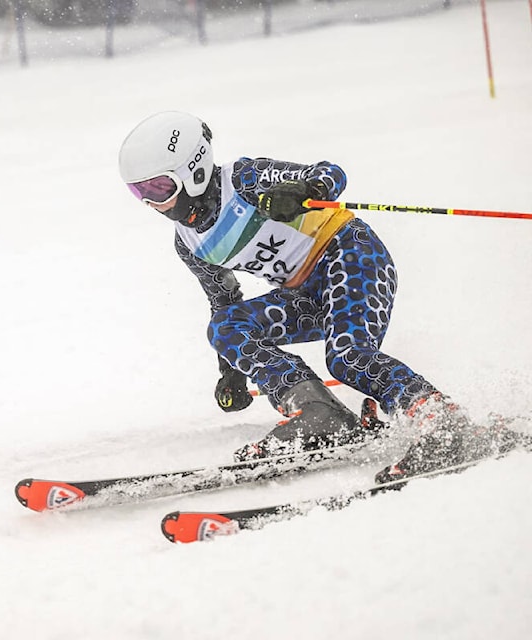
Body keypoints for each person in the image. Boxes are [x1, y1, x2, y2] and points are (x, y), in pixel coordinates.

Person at [117, 111, 522, 483]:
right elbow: (224, 301)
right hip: (306, 293)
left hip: (350, 254)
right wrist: (233, 370)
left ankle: (442, 421)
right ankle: (319, 415)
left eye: (159, 186)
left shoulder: (242, 179)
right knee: (226, 326)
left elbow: (331, 173)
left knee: (348, 357)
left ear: (194, 170)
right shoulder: (189, 244)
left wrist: (301, 190)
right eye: (141, 193)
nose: (153, 202)